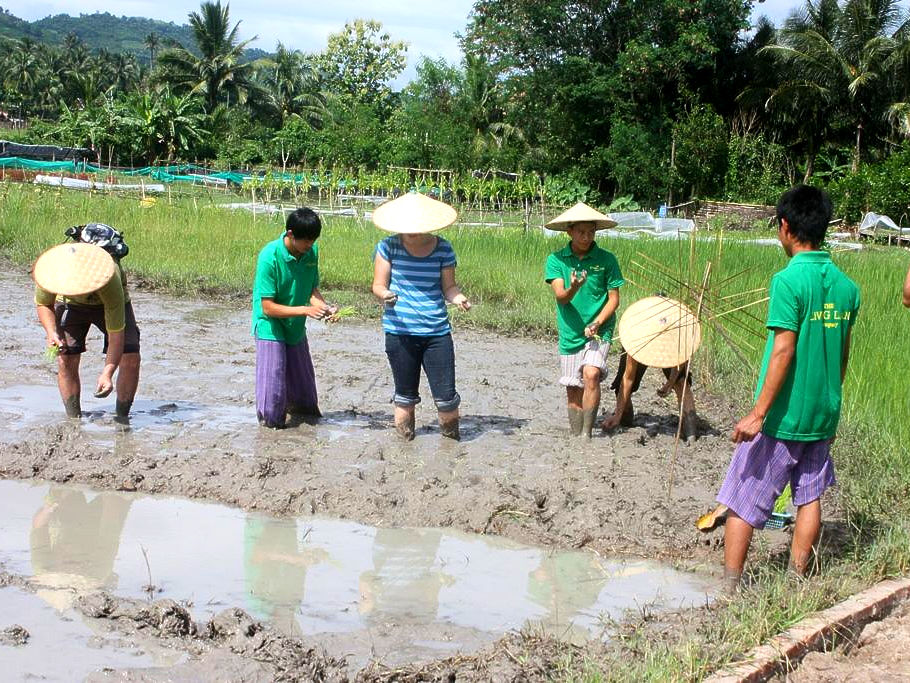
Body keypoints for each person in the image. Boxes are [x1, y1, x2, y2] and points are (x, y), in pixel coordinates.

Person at [716, 185, 860, 587]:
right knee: (809, 495)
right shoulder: (848, 288)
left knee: (744, 493)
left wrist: (759, 412)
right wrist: (829, 400)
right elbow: (842, 356)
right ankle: (797, 579)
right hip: (823, 412)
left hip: (784, 415)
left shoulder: (788, 281)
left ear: (785, 227)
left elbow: (783, 349)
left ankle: (729, 584)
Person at [370, 192, 471, 441]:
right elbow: (378, 284)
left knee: (446, 398)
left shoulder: (443, 248)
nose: (411, 231)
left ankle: (450, 443)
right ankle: (404, 448)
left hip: (436, 333)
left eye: (416, 225)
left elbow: (449, 287)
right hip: (400, 332)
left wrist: (458, 298)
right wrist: (385, 294)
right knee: (404, 397)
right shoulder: (388, 247)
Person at [34, 224, 140, 420]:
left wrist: (107, 373)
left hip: (109, 303)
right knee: (66, 357)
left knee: (130, 355)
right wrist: (51, 332)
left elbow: (117, 336)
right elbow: (43, 304)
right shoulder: (53, 268)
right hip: (69, 306)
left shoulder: (110, 277)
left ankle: (123, 419)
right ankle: (73, 419)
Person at [544, 203, 624, 438]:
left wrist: (598, 322)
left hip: (600, 328)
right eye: (581, 232)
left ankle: (587, 436)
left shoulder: (607, 260)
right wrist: (574, 286)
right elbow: (561, 297)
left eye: (591, 232)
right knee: (572, 387)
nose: (586, 237)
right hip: (571, 331)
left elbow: (614, 299)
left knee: (591, 374)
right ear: (569, 231)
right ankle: (576, 434)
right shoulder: (557, 260)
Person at [252, 207, 336, 429]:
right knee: (273, 396)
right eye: (306, 241)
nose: (310, 246)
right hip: (270, 323)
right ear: (290, 234)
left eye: (313, 240)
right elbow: (268, 307)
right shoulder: (269, 257)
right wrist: (305, 310)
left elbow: (311, 291)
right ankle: (270, 425)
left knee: (305, 396)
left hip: (295, 323)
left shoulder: (311, 252)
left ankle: (298, 414)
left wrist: (324, 308)